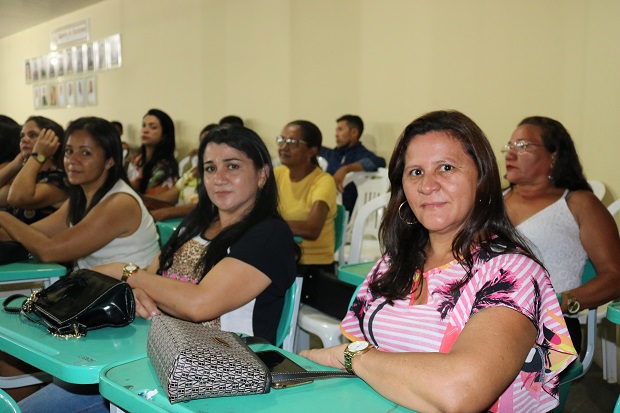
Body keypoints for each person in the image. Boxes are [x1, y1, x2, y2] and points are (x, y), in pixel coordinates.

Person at [301, 110, 577, 413]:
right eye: (415, 172)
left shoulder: (512, 274)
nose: (427, 185)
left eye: (446, 168)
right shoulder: (395, 262)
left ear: (482, 179)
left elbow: (460, 392)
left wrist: (352, 357)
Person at [20, 125, 299, 413]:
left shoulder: (269, 235)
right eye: (210, 168)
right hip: (149, 354)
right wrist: (138, 290)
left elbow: (198, 304)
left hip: (222, 379)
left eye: (233, 166)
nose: (219, 178)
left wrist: (127, 272)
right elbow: (153, 278)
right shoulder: (197, 222)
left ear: (262, 174)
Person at [502, 116, 620, 353]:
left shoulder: (579, 204)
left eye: (522, 146)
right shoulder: (492, 201)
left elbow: (615, 276)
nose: (510, 155)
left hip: (551, 325)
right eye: (510, 146)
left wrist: (562, 302)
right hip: (487, 318)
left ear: (553, 155)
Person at [0, 116, 159, 268]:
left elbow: (50, 251)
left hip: (128, 286)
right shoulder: (81, 197)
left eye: (85, 153)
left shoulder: (119, 203)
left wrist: (3, 216)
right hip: (97, 283)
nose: (72, 160)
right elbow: (34, 233)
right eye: (69, 151)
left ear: (109, 161)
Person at [274, 120, 337, 276]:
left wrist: (267, 223)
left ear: (312, 150)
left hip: (312, 267)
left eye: (292, 142)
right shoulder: (277, 174)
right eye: (281, 140)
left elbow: (311, 229)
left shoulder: (323, 181)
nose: (283, 147)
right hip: (281, 258)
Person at [0, 116, 68, 224]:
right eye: (22, 136)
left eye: (32, 135)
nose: (24, 139)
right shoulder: (26, 175)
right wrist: (16, 163)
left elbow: (17, 198)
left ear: (52, 143)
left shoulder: (59, 178)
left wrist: (37, 156)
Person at [320, 114, 386, 215]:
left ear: (354, 132)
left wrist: (346, 168)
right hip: (326, 205)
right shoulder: (332, 154)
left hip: (349, 212)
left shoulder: (361, 154)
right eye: (336, 130)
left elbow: (379, 162)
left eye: (340, 130)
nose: (336, 134)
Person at [150, 123, 217, 222]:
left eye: (210, 142)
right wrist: (138, 199)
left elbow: (210, 205)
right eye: (202, 143)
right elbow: (167, 197)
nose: (205, 147)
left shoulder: (222, 176)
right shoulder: (193, 172)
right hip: (180, 224)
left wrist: (166, 212)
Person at [127, 109, 179, 209]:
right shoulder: (136, 161)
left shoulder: (165, 167)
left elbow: (156, 204)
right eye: (143, 125)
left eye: (153, 127)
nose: (145, 130)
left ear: (164, 135)